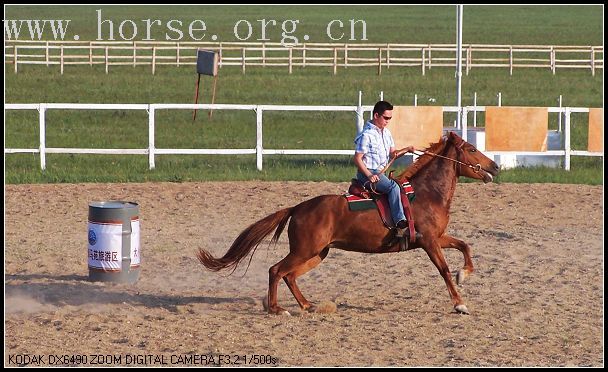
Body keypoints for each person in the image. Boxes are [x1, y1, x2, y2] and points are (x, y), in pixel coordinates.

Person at [353, 100, 415, 231]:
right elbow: (357, 159)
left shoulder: (386, 134)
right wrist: (369, 175)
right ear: (376, 115)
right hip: (367, 174)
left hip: (382, 174)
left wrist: (406, 149)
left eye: (390, 118)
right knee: (393, 188)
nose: (388, 121)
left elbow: (393, 154)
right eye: (386, 118)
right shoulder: (366, 135)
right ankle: (399, 221)